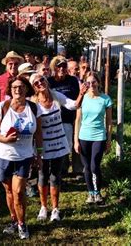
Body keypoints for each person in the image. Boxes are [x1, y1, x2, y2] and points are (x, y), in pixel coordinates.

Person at [0, 75, 43, 240]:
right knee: (9, 190)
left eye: (21, 87)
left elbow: (39, 133)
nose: (17, 89)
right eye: (14, 87)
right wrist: (5, 139)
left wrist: (39, 153)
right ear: (10, 90)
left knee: (18, 191)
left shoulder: (33, 108)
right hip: (1, 154)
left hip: (24, 156)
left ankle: (22, 223)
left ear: (26, 89)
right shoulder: (2, 107)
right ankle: (13, 219)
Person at [29, 73, 86, 222]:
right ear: (33, 88)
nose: (40, 83)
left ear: (46, 80)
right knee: (42, 176)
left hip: (59, 145)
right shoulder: (33, 104)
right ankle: (43, 207)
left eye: (42, 79)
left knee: (55, 176)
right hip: (43, 146)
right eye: (36, 83)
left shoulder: (55, 95)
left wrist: (81, 93)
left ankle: (55, 208)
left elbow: (73, 105)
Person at [74, 72, 113, 205]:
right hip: (84, 136)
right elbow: (78, 120)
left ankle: (97, 192)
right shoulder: (82, 99)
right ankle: (91, 193)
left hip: (99, 136)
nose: (91, 85)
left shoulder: (105, 99)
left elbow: (108, 122)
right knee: (87, 167)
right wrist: (75, 140)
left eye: (94, 82)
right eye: (88, 83)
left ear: (98, 83)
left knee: (94, 165)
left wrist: (108, 140)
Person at [47, 56, 81, 175]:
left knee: (75, 142)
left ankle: (78, 169)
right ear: (54, 67)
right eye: (58, 66)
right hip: (54, 120)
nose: (61, 68)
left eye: (64, 66)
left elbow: (78, 99)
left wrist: (78, 116)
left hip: (70, 117)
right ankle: (63, 169)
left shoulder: (72, 81)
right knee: (60, 146)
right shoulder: (49, 81)